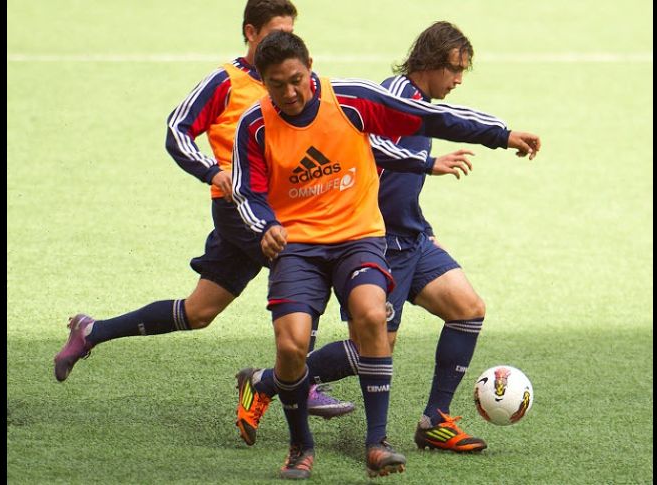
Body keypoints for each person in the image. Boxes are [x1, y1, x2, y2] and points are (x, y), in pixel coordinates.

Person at [231, 30, 540, 479]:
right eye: (454, 68)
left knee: (466, 309)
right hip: (370, 241)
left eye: (297, 79)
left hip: (401, 237)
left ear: (310, 66)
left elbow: (413, 143)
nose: (458, 79)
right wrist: (266, 225)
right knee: (362, 344)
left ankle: (430, 421)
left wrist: (497, 138)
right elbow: (370, 153)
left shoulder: (366, 99)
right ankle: (265, 382)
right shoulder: (372, 100)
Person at [52, 0, 355, 418]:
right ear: (250, 33)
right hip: (241, 211)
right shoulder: (225, 81)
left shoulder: (294, 82)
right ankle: (301, 384)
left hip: (279, 208)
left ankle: (93, 331)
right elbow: (177, 129)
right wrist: (212, 172)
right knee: (306, 268)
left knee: (199, 312)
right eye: (274, 33)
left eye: (290, 34)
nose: (282, 44)